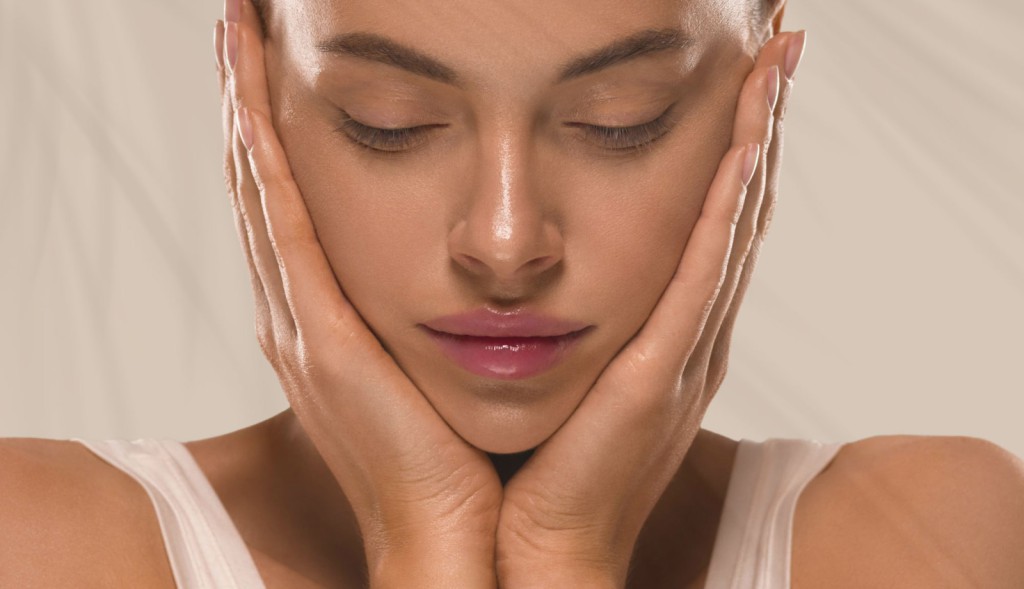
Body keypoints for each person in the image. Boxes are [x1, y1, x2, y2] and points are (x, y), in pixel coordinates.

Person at [2, 0, 1022, 587]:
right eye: (389, 122)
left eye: (621, 120)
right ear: (250, 88)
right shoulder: (41, 544)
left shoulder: (921, 536)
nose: (503, 240)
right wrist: (423, 537)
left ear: (764, 92)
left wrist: (565, 555)